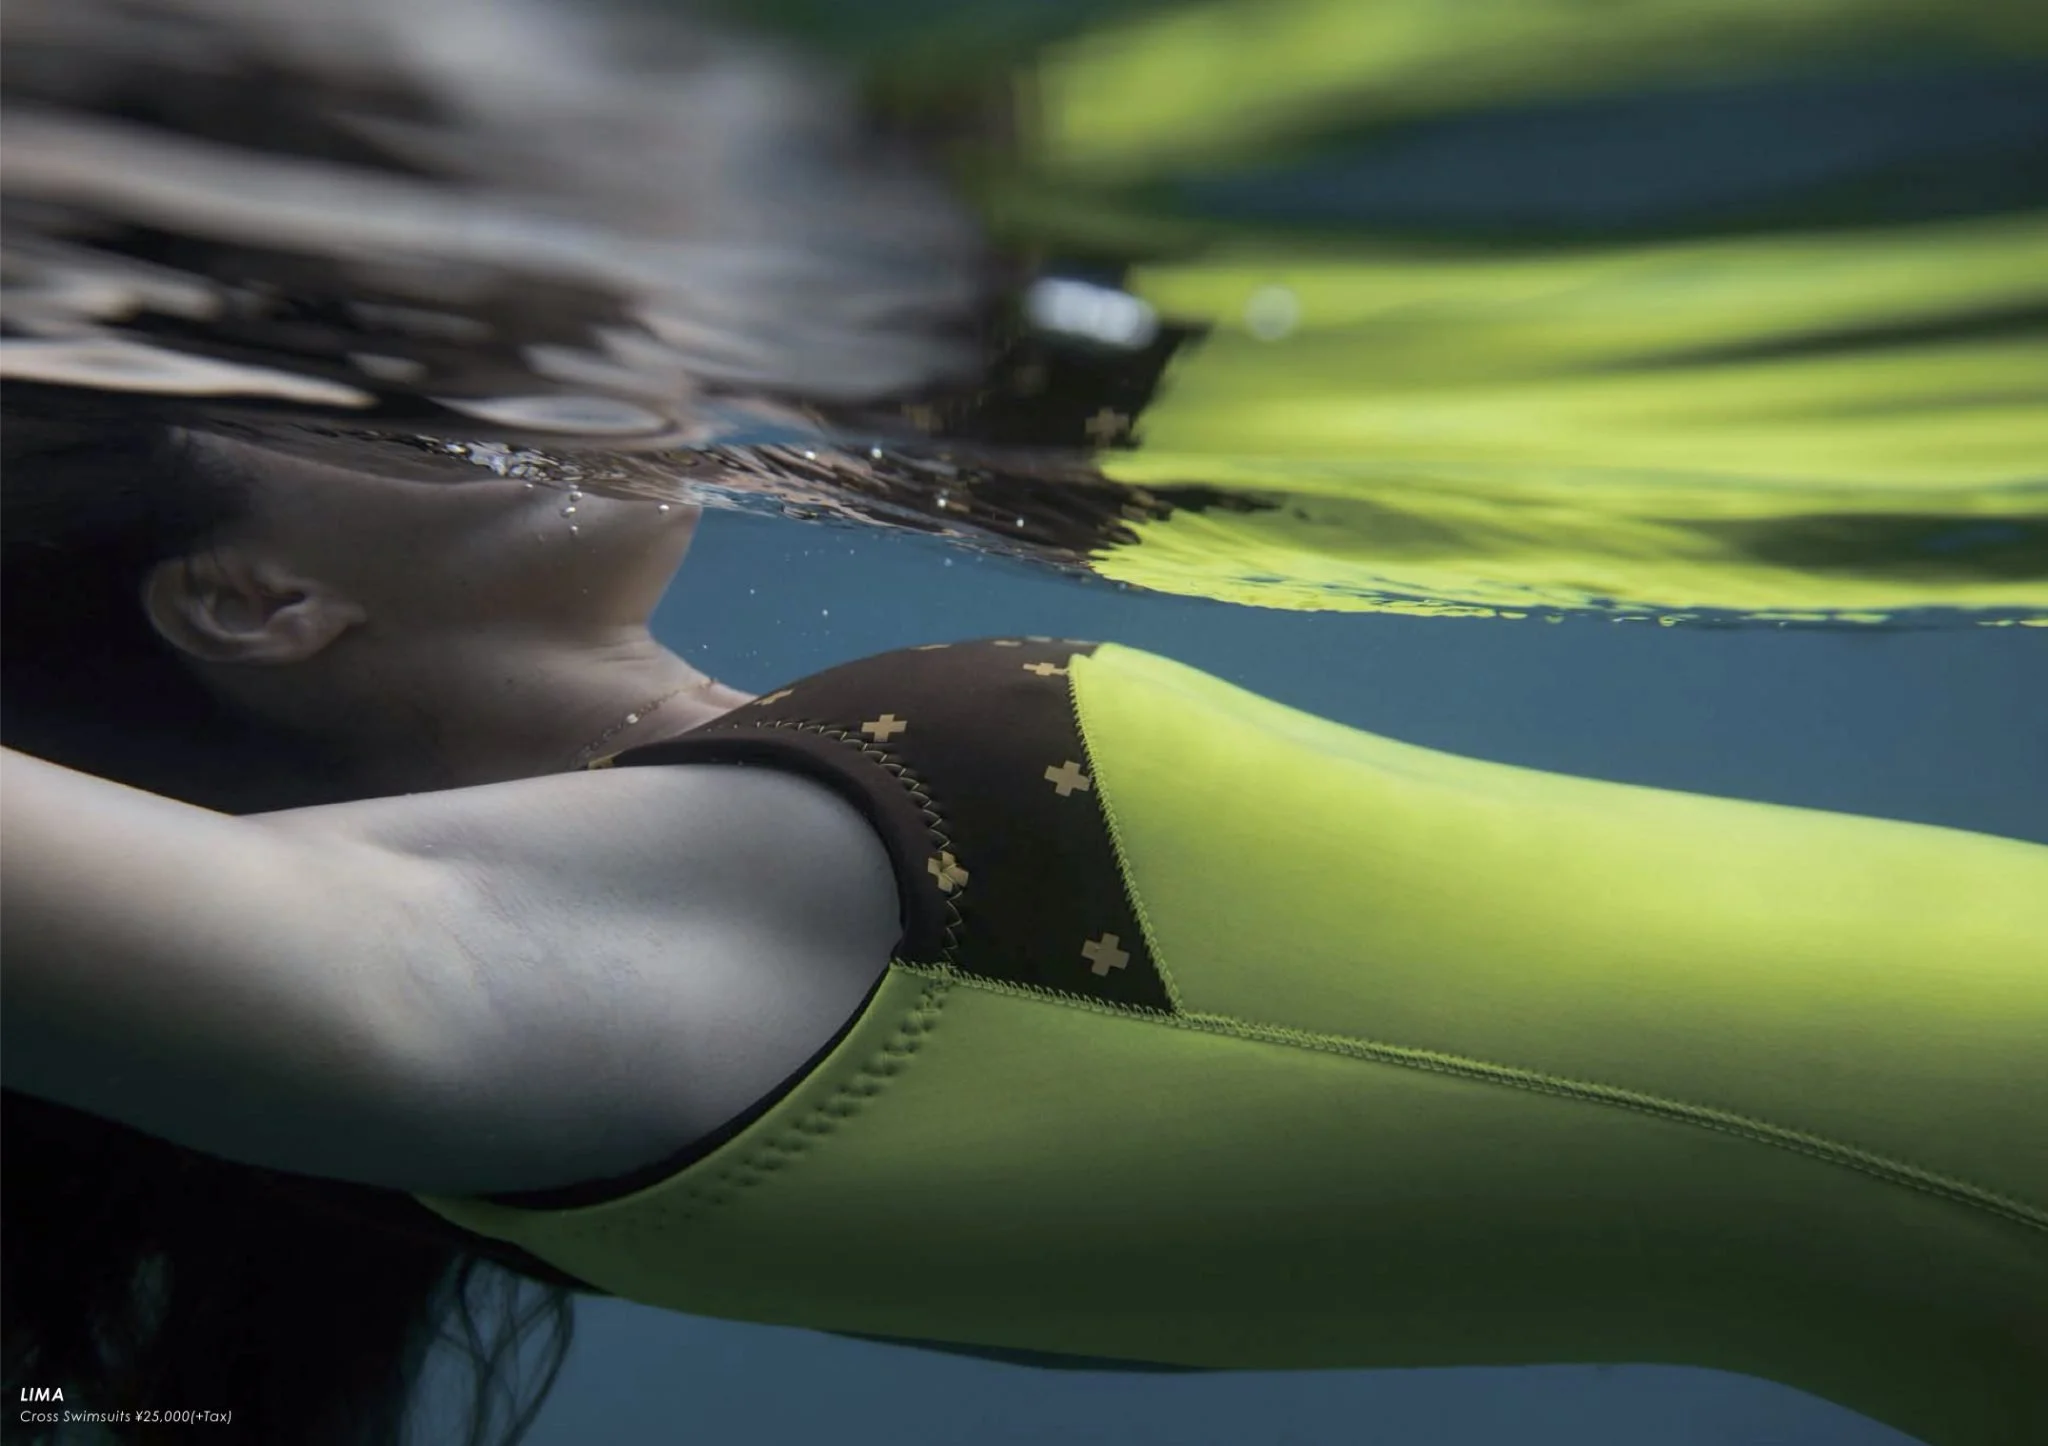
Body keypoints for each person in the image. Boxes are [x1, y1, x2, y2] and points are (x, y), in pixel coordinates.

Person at [3, 398, 2044, 1446]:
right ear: (254, 602)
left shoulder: (615, 905)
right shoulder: (528, 987)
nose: (472, 356)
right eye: (350, 383)